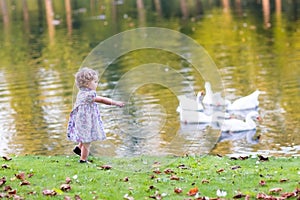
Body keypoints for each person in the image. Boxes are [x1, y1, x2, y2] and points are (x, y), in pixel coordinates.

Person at [67, 67, 124, 163]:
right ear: (87, 84)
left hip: (81, 121)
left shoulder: (81, 93)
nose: (97, 84)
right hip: (85, 121)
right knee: (87, 142)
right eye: (95, 82)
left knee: (84, 137)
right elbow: (102, 100)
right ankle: (83, 160)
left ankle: (78, 148)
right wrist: (116, 103)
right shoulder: (89, 95)